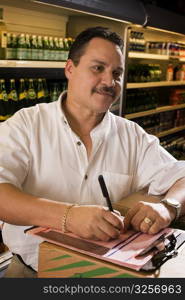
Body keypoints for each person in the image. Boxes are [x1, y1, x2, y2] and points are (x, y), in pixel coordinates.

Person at [0, 26, 185, 277]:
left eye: (117, 73)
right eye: (98, 68)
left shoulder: (132, 136)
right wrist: (68, 216)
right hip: (31, 273)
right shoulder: (26, 125)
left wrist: (168, 206)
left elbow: (181, 176)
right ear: (70, 69)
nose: (109, 82)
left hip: (103, 275)